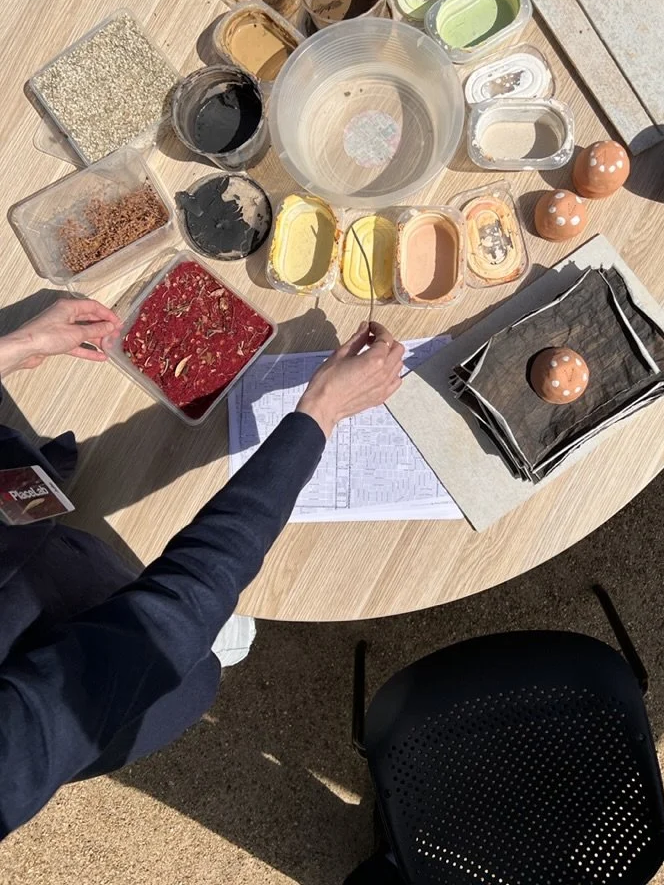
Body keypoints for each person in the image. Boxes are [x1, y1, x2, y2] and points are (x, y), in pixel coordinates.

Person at [0, 297, 404, 840]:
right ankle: (222, 642)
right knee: (188, 668)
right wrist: (319, 415)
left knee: (58, 535)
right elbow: (162, 627)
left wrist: (14, 347)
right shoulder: (12, 756)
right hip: (81, 657)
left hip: (29, 544)